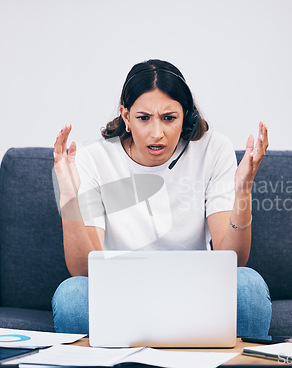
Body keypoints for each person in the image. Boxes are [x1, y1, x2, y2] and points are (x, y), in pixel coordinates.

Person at [52, 59, 271, 337]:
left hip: (196, 295)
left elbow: (234, 261)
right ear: (126, 117)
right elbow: (84, 270)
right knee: (72, 294)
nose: (157, 134)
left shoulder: (213, 149)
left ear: (186, 118)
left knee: (248, 285)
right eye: (144, 118)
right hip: (119, 298)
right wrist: (70, 198)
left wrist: (243, 190)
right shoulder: (92, 158)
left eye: (169, 118)